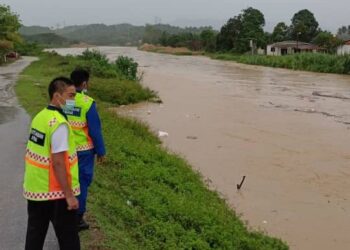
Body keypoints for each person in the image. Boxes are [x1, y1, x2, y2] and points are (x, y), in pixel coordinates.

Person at [23, 77, 80, 250]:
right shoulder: (59, 124)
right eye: (70, 96)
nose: (73, 101)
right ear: (57, 96)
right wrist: (69, 195)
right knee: (69, 237)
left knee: (35, 235)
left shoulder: (40, 117)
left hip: (36, 190)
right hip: (56, 193)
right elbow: (58, 162)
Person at [67, 69, 106, 231]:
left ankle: (68, 212)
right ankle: (78, 218)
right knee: (82, 183)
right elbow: (95, 131)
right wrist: (101, 152)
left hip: (68, 149)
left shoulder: (67, 100)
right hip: (84, 152)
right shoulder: (88, 102)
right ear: (84, 83)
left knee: (70, 181)